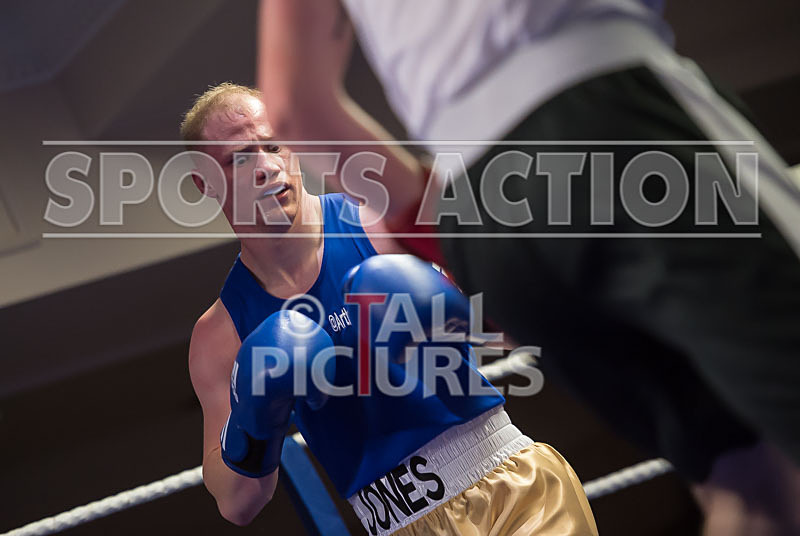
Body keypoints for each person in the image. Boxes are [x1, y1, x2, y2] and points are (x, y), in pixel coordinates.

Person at [256, 1, 800, 533]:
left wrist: (437, 230)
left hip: (483, 216)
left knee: (754, 492)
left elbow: (296, 111)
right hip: (616, 128)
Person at [180, 83, 598, 534]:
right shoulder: (220, 337)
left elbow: (522, 322)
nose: (265, 167)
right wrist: (252, 419)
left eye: (273, 144)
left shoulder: (378, 225)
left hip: (512, 489)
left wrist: (455, 312)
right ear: (204, 182)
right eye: (238, 158)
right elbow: (236, 504)